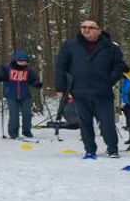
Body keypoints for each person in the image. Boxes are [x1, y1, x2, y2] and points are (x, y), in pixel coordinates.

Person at [54, 20, 125, 158]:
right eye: (83, 27)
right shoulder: (70, 46)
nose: (86, 30)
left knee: (107, 123)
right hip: (80, 91)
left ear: (99, 30)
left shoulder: (110, 47)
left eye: (91, 27)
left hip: (103, 92)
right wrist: (60, 87)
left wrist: (109, 80)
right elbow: (61, 67)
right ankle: (90, 150)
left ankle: (112, 149)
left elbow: (119, 66)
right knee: (85, 123)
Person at [0, 50, 42, 139]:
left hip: (25, 96)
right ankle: (13, 133)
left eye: (24, 62)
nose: (22, 63)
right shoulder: (7, 68)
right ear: (15, 60)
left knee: (27, 114)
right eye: (20, 61)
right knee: (14, 115)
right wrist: (2, 76)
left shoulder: (28, 70)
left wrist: (37, 84)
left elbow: (33, 79)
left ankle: (26, 132)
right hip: (11, 95)